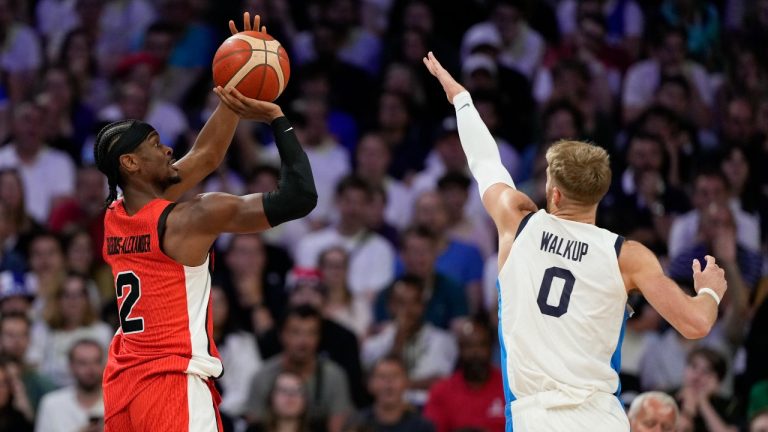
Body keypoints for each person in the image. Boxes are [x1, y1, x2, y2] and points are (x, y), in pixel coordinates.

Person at [423, 51, 727, 431]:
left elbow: (485, 162)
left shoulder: (517, 222)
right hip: (602, 418)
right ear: (600, 192)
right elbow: (696, 325)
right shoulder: (627, 255)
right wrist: (710, 293)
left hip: (536, 417)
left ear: (555, 194)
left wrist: (461, 99)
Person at [97, 13, 317, 432]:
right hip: (172, 383)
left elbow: (205, 158)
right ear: (130, 162)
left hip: (124, 384)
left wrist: (233, 89)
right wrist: (276, 118)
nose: (169, 150)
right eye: (156, 146)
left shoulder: (115, 216)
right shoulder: (192, 218)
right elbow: (301, 197)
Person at [244, 305, 353, 432]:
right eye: (296, 332)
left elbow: (337, 428)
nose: (303, 341)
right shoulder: (263, 377)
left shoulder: (334, 376)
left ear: (319, 337)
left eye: (311, 333)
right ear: (281, 335)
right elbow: (255, 426)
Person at [424, 316, 505, 432]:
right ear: (459, 350)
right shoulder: (441, 391)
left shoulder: (508, 387)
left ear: (491, 348)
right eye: (469, 346)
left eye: (482, 345)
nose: (475, 352)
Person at [345, 356, 435, 432]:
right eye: (382, 377)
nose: (388, 383)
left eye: (395, 376)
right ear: (370, 384)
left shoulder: (422, 427)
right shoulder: (357, 424)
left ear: (406, 382)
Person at [35, 339, 105, 432]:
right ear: (71, 366)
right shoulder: (51, 404)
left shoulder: (118, 403)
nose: (90, 369)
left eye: (96, 362)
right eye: (82, 363)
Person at [246, 371, 310, 432]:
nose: (291, 395)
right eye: (284, 390)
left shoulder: (317, 429)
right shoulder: (255, 430)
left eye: (297, 391)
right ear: (271, 397)